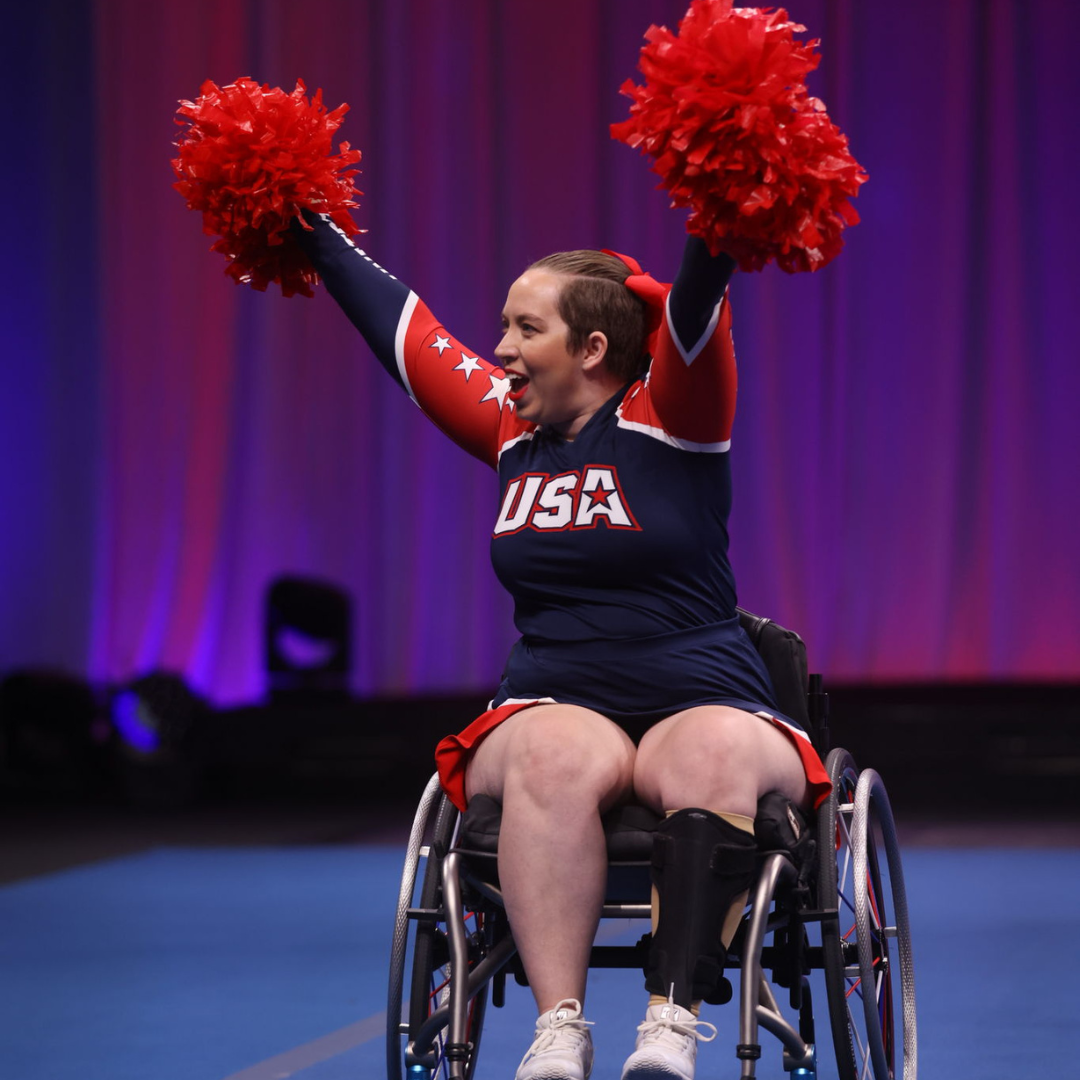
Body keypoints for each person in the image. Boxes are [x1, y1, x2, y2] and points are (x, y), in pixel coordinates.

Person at [292, 214, 831, 1080]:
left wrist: (724, 200)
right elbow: (404, 330)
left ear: (590, 347)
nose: (500, 348)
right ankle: (560, 1029)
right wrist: (301, 218)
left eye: (523, 328)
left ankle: (669, 1021)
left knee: (716, 751)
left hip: (705, 693)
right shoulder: (512, 430)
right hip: (556, 698)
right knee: (549, 759)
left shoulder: (674, 416)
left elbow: (695, 303)